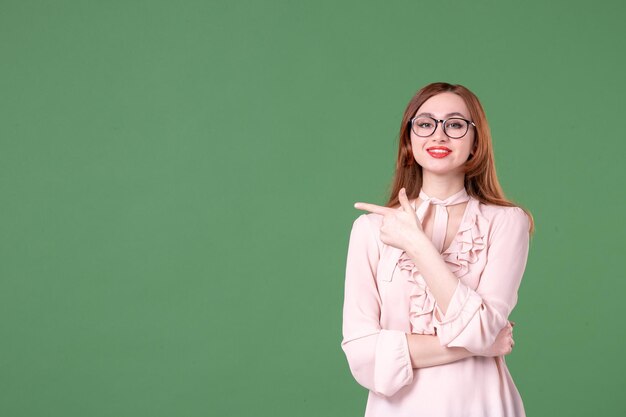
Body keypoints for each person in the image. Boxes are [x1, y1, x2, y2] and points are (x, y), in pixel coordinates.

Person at [341, 82, 534, 417]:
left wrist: (417, 245)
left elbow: (481, 329)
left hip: (481, 405)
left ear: (476, 143)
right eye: (425, 123)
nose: (439, 136)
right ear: (409, 140)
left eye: (456, 125)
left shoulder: (507, 222)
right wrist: (479, 345)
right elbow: (361, 354)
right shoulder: (371, 230)